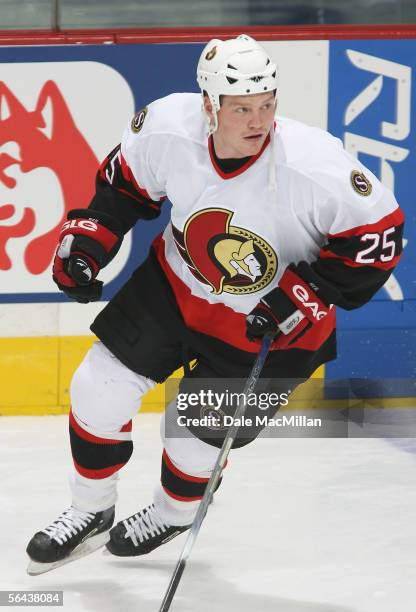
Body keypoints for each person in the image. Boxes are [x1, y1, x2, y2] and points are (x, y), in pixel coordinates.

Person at [26, 34, 404, 574]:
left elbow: (379, 238)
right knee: (97, 385)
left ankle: (172, 513)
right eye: (242, 108)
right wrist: (90, 240)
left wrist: (311, 292)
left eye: (267, 104)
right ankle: (89, 512)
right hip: (176, 287)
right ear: (209, 105)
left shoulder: (314, 165)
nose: (259, 120)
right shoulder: (166, 127)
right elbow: (125, 187)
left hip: (274, 326)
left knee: (192, 432)